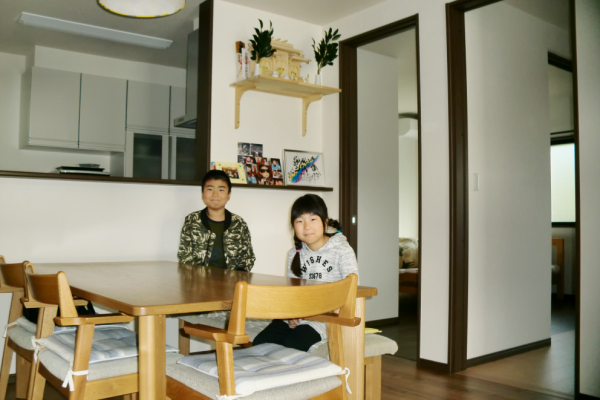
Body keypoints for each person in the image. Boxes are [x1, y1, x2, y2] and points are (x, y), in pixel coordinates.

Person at [252, 194, 359, 351]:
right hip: (298, 316)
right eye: (300, 221)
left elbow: (352, 289)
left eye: (313, 219)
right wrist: (291, 315)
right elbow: (292, 292)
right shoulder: (294, 253)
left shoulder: (342, 250)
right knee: (260, 343)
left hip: (325, 319)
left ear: (325, 222)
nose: (306, 226)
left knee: (291, 346)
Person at [178, 170, 255, 271]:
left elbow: (248, 258)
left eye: (221, 190)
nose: (215, 194)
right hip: (198, 279)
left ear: (229, 194)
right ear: (202, 193)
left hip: (231, 279)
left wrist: (235, 277)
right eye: (210, 189)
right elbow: (184, 256)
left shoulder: (239, 223)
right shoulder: (191, 221)